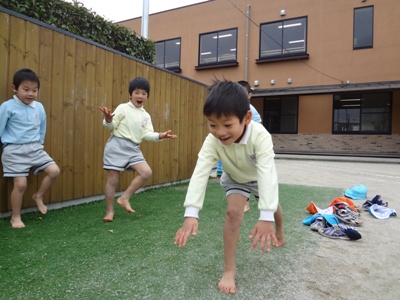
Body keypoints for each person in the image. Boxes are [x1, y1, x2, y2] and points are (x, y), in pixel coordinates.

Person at [174, 80, 284, 295]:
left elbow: (267, 172)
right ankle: (229, 269)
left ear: (246, 118)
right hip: (234, 178)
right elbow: (200, 172)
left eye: (227, 124)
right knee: (233, 213)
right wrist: (191, 213)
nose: (220, 132)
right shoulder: (212, 140)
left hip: (258, 178)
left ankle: (280, 230)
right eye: (213, 125)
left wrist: (266, 215)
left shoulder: (260, 135)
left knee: (274, 206)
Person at [99, 77, 177, 222]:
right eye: (137, 92)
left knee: (146, 172)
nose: (140, 96)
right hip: (117, 145)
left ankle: (124, 198)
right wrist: (108, 119)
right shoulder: (123, 108)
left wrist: (160, 135)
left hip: (134, 148)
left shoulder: (145, 116)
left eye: (144, 93)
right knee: (113, 179)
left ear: (147, 97)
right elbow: (111, 126)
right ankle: (109, 212)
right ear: (130, 95)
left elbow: (147, 134)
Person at [0, 68, 60, 228]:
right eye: (26, 89)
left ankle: (38, 196)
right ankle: (15, 217)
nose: (30, 94)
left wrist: (40, 144)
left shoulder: (38, 107)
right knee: (20, 185)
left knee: (54, 171)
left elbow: (42, 127)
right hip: (14, 151)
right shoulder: (7, 106)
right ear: (15, 88)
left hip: (35, 148)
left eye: (34, 90)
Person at [216, 80, 262, 212]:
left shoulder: (250, 111)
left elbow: (256, 132)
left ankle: (261, 201)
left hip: (250, 151)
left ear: (249, 96)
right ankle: (242, 200)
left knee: (254, 179)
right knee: (231, 177)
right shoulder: (230, 111)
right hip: (236, 150)